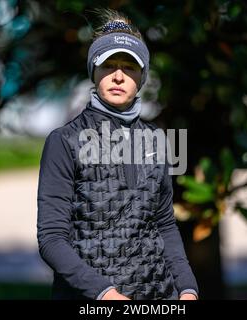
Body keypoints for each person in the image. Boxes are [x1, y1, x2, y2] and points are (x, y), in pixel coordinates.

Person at [37, 9, 199, 300]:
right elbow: (51, 240)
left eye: (130, 67)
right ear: (93, 71)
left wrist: (187, 289)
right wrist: (105, 294)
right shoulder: (63, 141)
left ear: (142, 77)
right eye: (109, 65)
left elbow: (164, 224)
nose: (118, 76)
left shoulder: (157, 140)